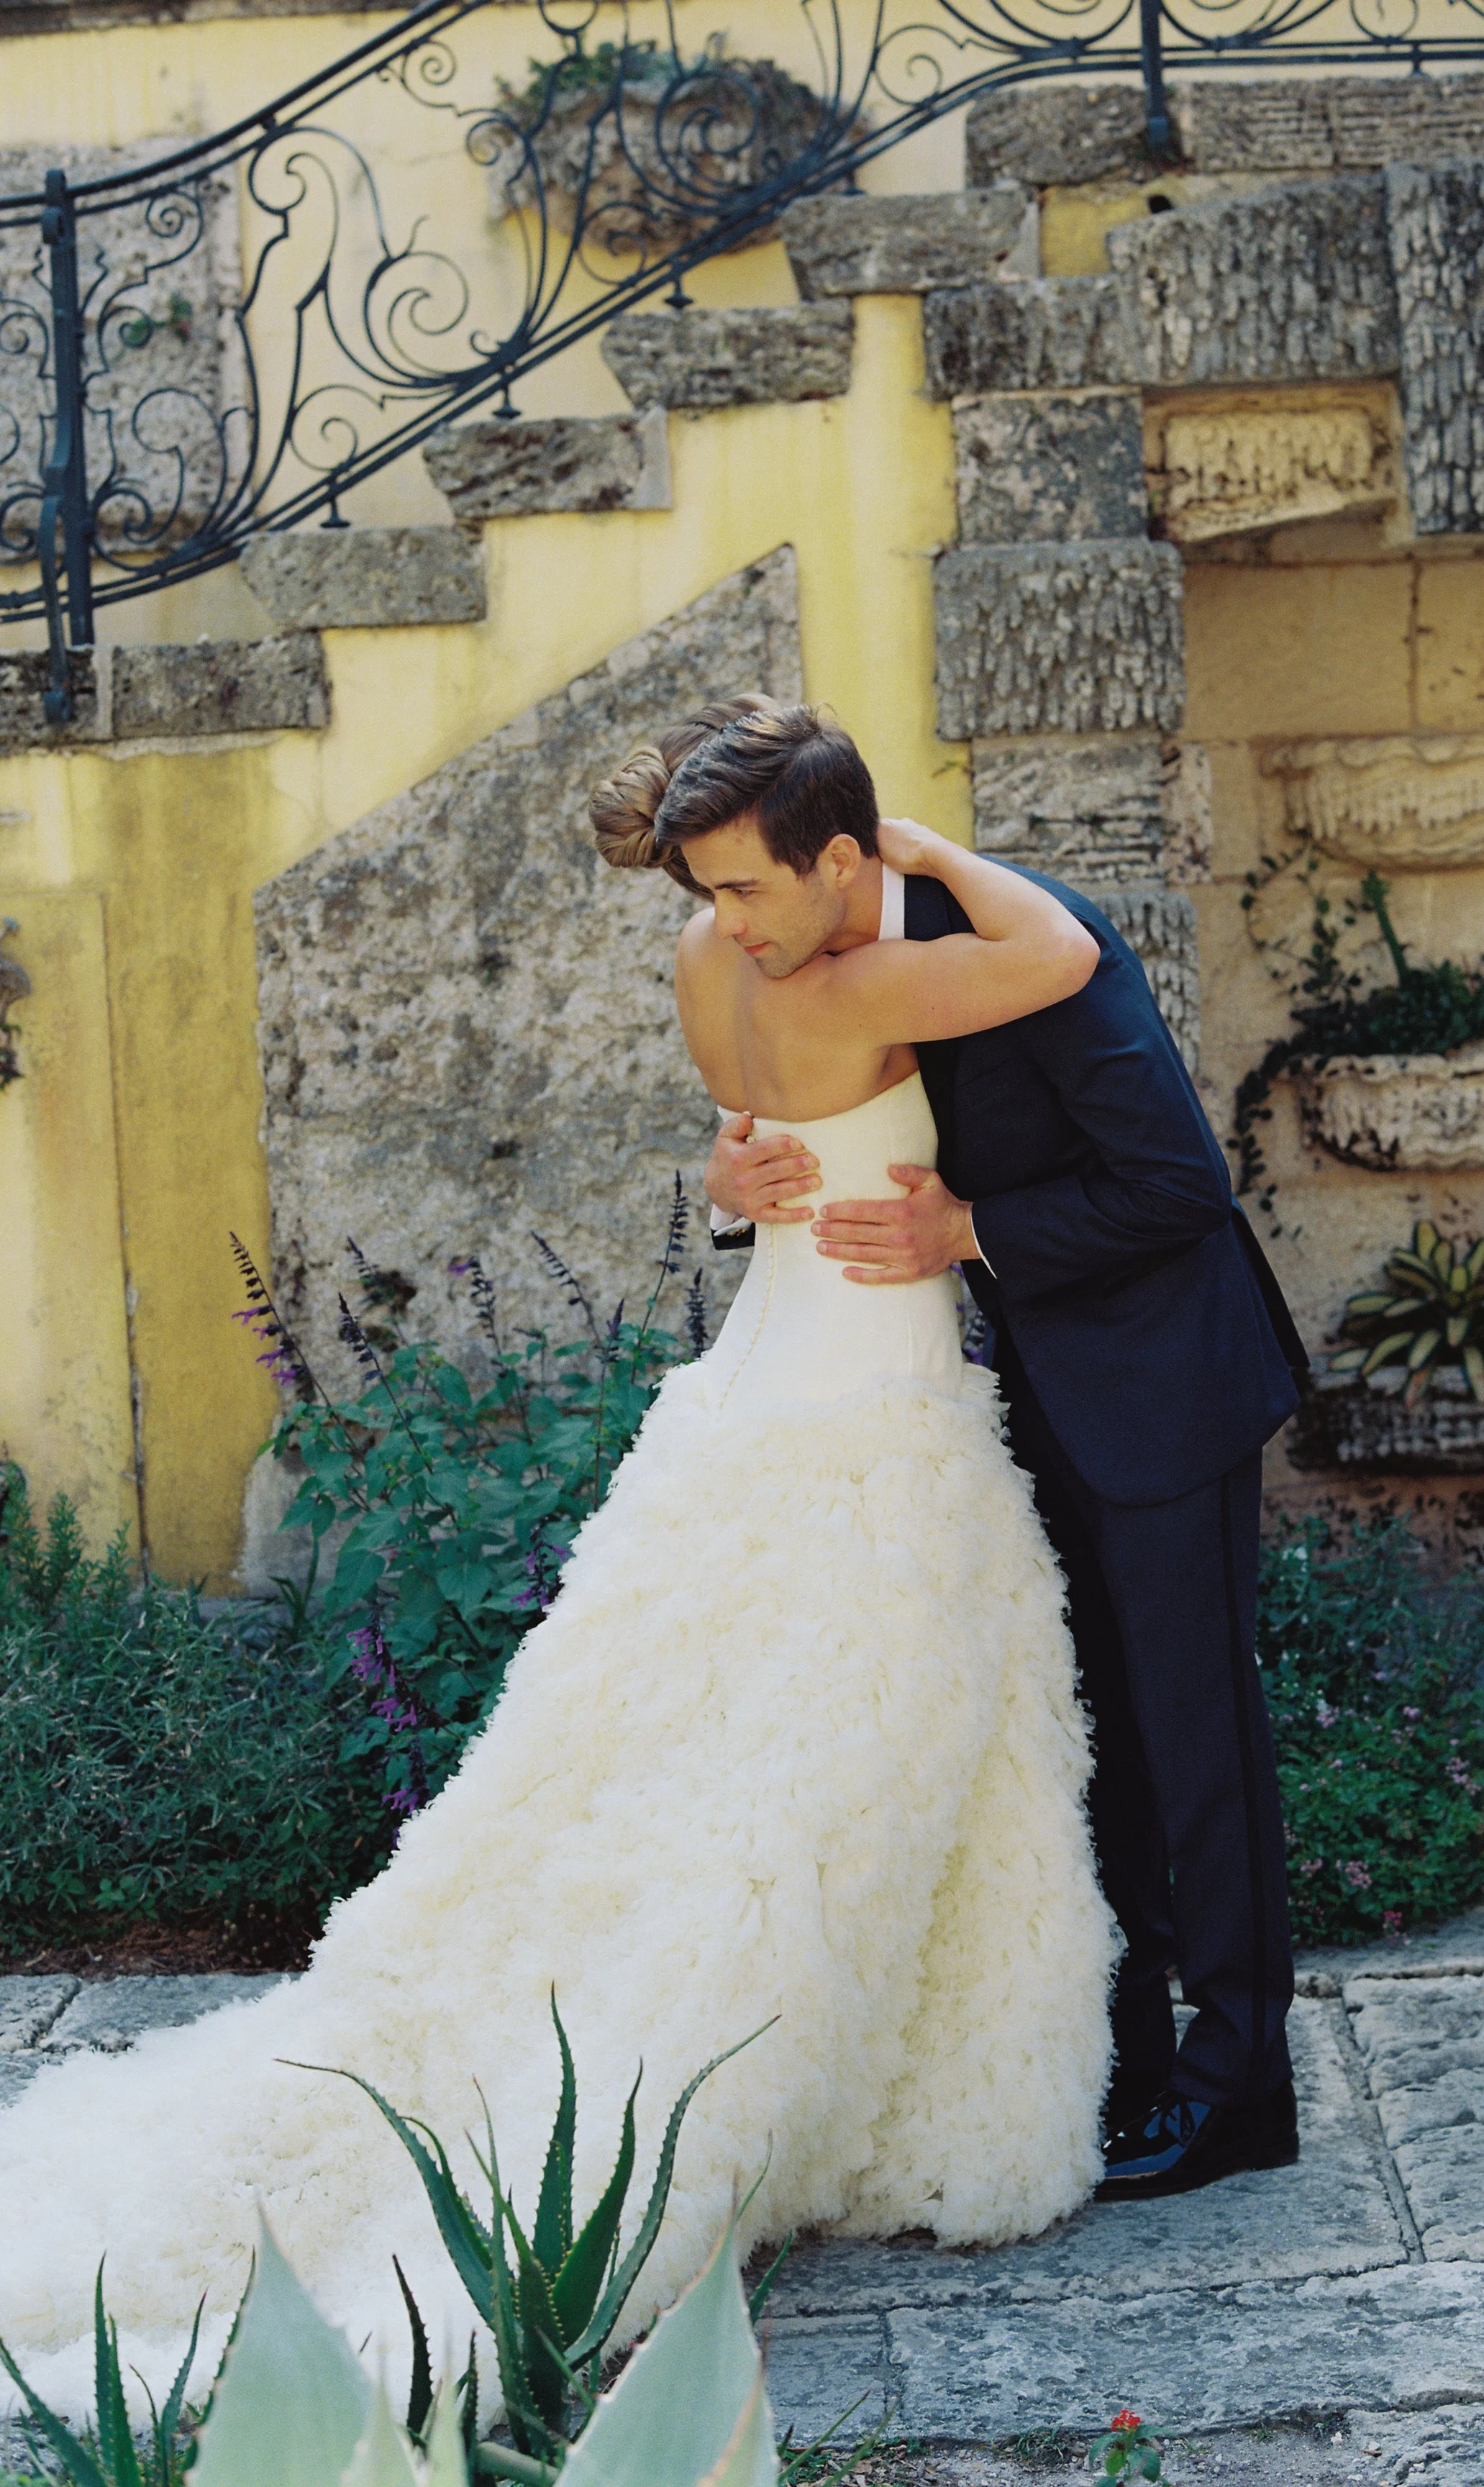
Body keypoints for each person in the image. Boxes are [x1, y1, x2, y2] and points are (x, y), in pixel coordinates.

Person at [0, 699, 1117, 2421]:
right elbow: (1056, 948)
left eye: (747, 885)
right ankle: (730, 2095)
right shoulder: (866, 972)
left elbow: (750, 1153)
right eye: (718, 891)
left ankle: (837, 2082)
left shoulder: (702, 972)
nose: (730, 921)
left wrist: (744, 1166)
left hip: (752, 1386)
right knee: (818, 1769)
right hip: (865, 1404)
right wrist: (923, 856)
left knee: (755, 1754)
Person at [704, 723, 1310, 2202]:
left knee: (1192, 1743)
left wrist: (964, 1234)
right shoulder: (814, 962)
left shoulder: (1027, 941)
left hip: (1160, 1382)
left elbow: (1176, 1183)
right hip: (1023, 1391)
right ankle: (1129, 2065)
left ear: (837, 862)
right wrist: (736, 1180)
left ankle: (1240, 2089)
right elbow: (820, 1124)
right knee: (1085, 1739)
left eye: (741, 890)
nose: (724, 925)